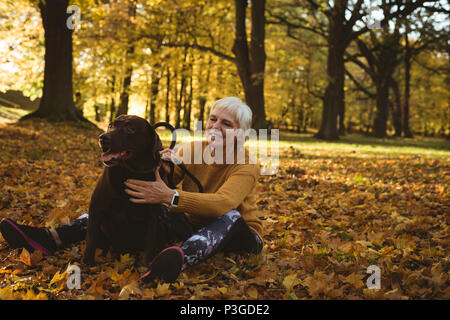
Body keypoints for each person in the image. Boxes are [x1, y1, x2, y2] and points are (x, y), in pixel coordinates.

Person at [0, 97, 263, 283]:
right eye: (213, 119)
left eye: (227, 124)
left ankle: (178, 260)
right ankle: (51, 238)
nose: (216, 127)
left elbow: (222, 203)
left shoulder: (246, 164)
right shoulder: (193, 149)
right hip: (194, 226)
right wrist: (160, 165)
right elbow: (166, 182)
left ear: (242, 134)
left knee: (230, 216)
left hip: (239, 233)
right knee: (127, 202)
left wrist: (169, 196)